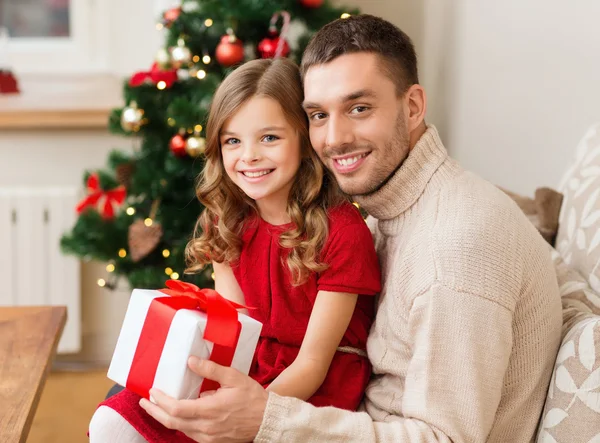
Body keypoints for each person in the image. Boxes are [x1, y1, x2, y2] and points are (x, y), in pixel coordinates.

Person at [131, 14, 564, 443]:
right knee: (136, 402)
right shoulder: (381, 209)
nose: (333, 138)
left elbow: (443, 438)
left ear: (412, 106)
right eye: (318, 115)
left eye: (359, 108)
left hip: (349, 422)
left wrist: (265, 420)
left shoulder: (453, 248)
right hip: (344, 415)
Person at [88, 57, 381, 442]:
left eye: (269, 138)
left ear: (304, 138)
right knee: (115, 420)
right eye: (233, 141)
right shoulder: (225, 221)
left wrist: (244, 415)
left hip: (312, 386)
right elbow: (236, 337)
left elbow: (312, 364)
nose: (249, 156)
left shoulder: (342, 231)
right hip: (250, 366)